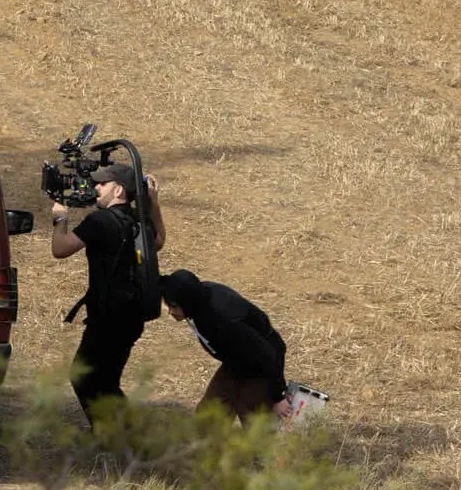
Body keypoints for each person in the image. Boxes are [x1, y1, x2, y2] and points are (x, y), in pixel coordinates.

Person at [50, 162, 166, 425]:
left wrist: (61, 217)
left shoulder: (99, 221)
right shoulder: (139, 221)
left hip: (107, 318)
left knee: (86, 378)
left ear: (119, 191)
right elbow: (158, 241)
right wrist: (153, 204)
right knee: (106, 380)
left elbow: (60, 248)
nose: (96, 187)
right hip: (131, 317)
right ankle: (116, 433)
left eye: (103, 183)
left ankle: (119, 433)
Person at [159, 269, 293, 422]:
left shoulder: (223, 320)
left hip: (260, 365)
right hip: (237, 362)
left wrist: (278, 396)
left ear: (188, 301)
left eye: (174, 306)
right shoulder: (196, 303)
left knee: (252, 420)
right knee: (208, 418)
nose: (170, 312)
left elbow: (267, 353)